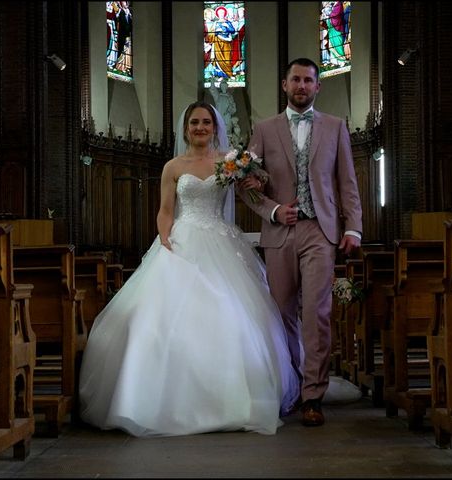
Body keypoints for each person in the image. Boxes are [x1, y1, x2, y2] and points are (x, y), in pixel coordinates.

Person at [78, 101, 300, 437]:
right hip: (182, 240)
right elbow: (166, 210)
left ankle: (234, 399)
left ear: (215, 127)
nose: (200, 128)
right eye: (194, 122)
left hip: (221, 242)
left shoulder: (230, 163)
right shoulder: (172, 167)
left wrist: (264, 189)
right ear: (185, 128)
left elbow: (253, 193)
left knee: (232, 314)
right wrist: (164, 236)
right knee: (155, 318)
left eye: (206, 122)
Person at [240, 57, 363, 427]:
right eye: (295, 79)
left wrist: (353, 227)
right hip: (279, 232)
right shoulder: (264, 129)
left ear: (317, 87)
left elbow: (347, 182)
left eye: (309, 80)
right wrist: (274, 211)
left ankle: (313, 395)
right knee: (281, 314)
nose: (302, 86)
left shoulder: (336, 127)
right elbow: (242, 183)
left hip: (320, 231)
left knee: (316, 314)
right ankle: (292, 385)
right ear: (284, 84)